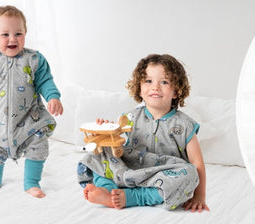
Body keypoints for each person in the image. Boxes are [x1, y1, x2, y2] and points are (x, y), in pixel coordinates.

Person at [78, 54, 209, 212]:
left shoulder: (185, 125)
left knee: (189, 173)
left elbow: (197, 164)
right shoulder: (129, 118)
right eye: (148, 81)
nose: (155, 87)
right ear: (139, 88)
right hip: (130, 172)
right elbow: (115, 144)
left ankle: (133, 197)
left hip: (164, 176)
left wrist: (199, 197)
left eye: (164, 82)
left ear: (176, 91)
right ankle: (107, 190)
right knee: (98, 154)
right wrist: (104, 132)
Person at [0, 5, 63, 198]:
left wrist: (53, 97)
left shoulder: (34, 59)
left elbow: (45, 80)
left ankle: (31, 183)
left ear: (25, 34)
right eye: (5, 34)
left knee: (38, 146)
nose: (12, 39)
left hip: (29, 120)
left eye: (18, 33)